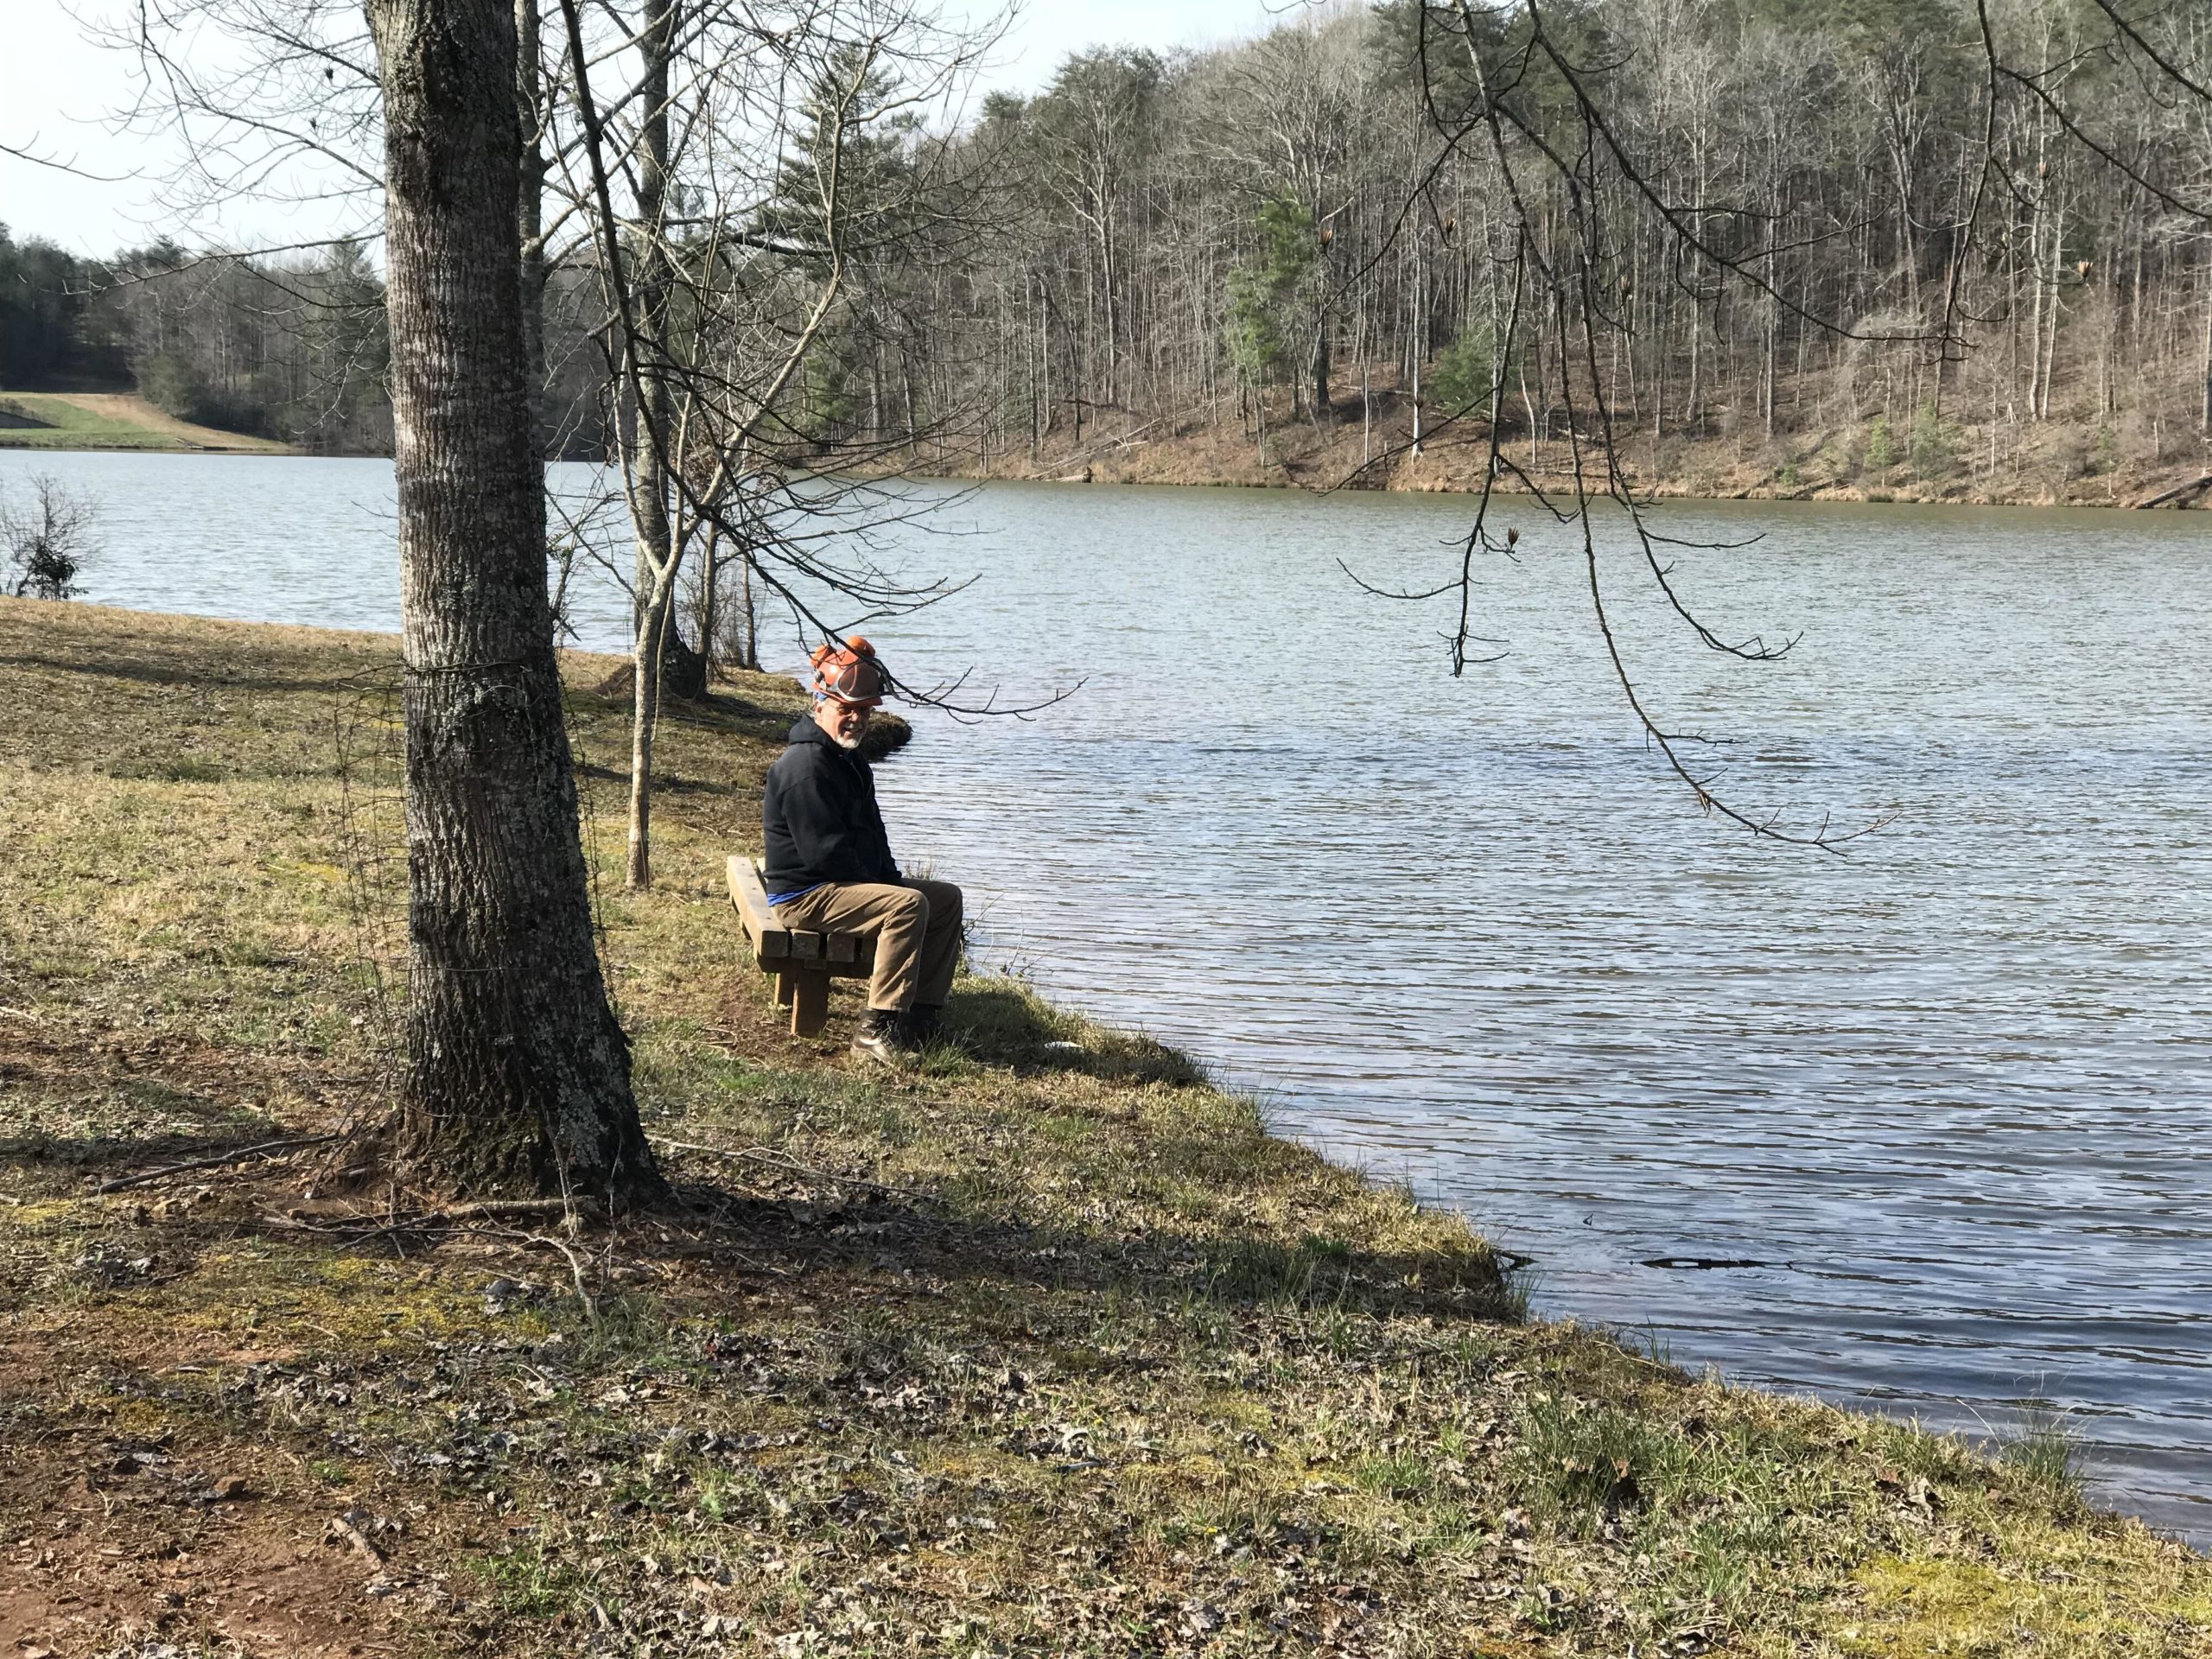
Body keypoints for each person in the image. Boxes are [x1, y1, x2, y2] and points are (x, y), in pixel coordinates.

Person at [760, 635, 963, 1065]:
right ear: (820, 706)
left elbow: (873, 834)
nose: (856, 719)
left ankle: (920, 1018)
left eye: (865, 710)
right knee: (906, 906)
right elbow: (824, 856)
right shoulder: (805, 768)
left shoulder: (849, 760)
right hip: (804, 894)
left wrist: (887, 876)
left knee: (945, 899)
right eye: (845, 709)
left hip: (835, 884)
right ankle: (877, 1028)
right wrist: (889, 890)